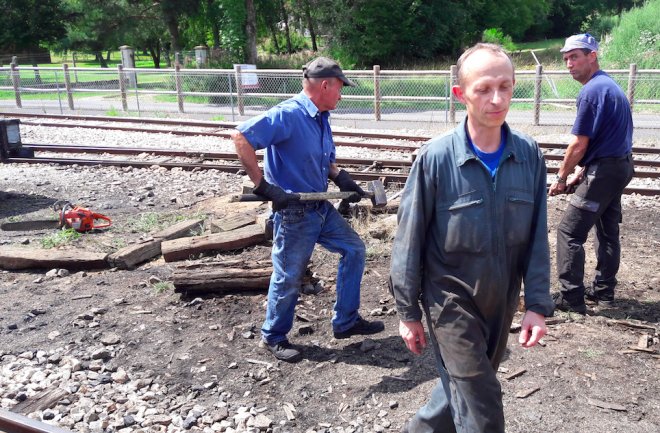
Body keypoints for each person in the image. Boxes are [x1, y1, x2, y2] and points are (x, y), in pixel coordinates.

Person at [389, 43, 554, 432]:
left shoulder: (528, 155)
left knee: (457, 393)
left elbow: (537, 236)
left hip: (502, 302)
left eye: (506, 87)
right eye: (483, 89)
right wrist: (408, 312)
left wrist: (538, 303)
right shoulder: (436, 159)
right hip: (451, 305)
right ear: (460, 94)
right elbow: (407, 241)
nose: (496, 99)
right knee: (482, 410)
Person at [230, 57, 384, 363]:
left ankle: (346, 322)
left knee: (354, 249)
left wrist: (341, 178)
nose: (342, 94)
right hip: (294, 212)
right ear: (325, 85)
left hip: (320, 207)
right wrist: (263, 185)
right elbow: (241, 137)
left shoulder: (320, 117)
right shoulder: (289, 114)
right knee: (289, 276)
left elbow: (322, 160)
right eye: (340, 88)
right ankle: (273, 336)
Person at [549, 34, 635, 314]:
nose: (569, 64)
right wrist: (583, 172)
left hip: (605, 172)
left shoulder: (591, 91)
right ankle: (604, 293)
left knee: (569, 231)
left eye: (574, 57)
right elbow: (606, 140)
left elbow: (579, 143)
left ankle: (571, 298)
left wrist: (562, 177)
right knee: (607, 230)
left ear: (592, 56)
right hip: (619, 166)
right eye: (566, 59)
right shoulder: (609, 86)